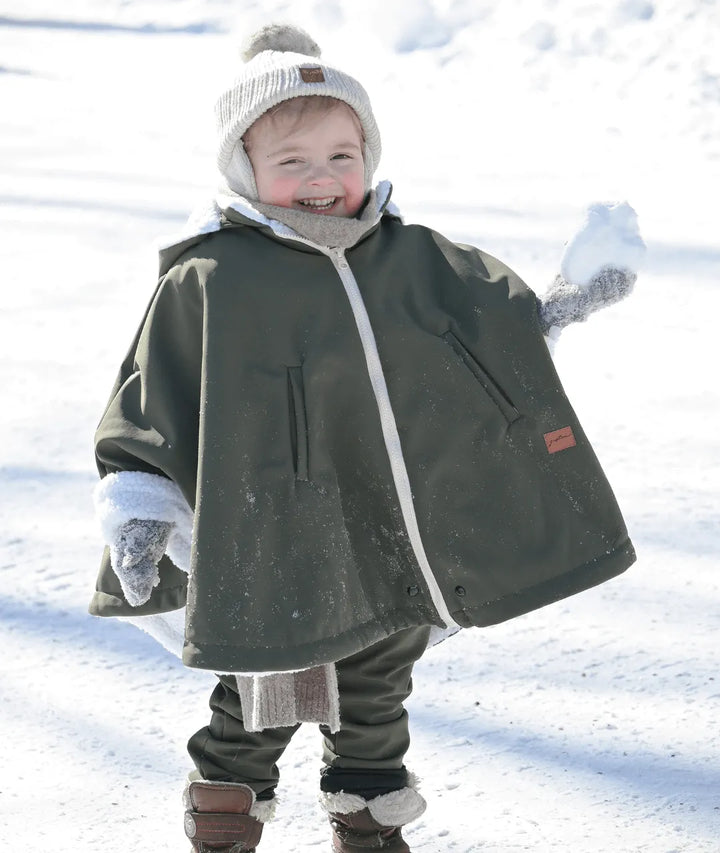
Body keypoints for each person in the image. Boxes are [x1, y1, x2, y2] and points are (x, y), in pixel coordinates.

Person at [89, 23, 640, 853]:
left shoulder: (411, 256)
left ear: (370, 155)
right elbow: (152, 395)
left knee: (379, 677)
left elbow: (488, 328)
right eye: (294, 161)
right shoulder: (210, 278)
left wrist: (559, 302)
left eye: (343, 156)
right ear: (245, 170)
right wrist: (139, 507)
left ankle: (368, 815)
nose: (323, 179)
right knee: (267, 683)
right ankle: (226, 810)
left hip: (383, 528)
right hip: (272, 535)